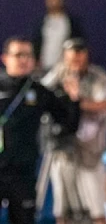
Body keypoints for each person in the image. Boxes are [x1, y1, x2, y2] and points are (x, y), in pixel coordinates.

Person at [0, 36, 80, 224]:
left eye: (28, 55)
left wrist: (74, 100)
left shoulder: (40, 92)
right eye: (18, 54)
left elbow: (69, 125)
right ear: (5, 58)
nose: (24, 60)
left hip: (23, 172)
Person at [41, 38, 106, 224]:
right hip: (62, 151)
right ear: (64, 57)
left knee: (96, 211)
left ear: (86, 55)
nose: (75, 60)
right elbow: (41, 95)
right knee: (62, 211)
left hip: (89, 153)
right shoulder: (58, 74)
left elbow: (103, 104)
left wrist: (75, 101)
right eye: (71, 56)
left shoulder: (100, 78)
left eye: (79, 55)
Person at [32, 0, 84, 73]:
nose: (53, 2)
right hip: (43, 68)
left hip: (65, 69)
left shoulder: (71, 23)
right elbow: (35, 43)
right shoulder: (41, 23)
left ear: (62, 0)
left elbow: (78, 44)